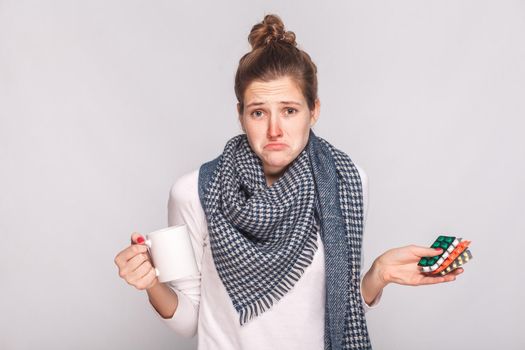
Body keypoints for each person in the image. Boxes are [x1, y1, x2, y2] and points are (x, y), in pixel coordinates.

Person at [114, 14, 463, 350]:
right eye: (258, 112)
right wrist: (151, 284)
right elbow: (189, 321)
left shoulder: (347, 181)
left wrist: (379, 274)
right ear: (241, 115)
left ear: (315, 110)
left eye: (290, 110)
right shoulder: (194, 192)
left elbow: (338, 312)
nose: (274, 130)